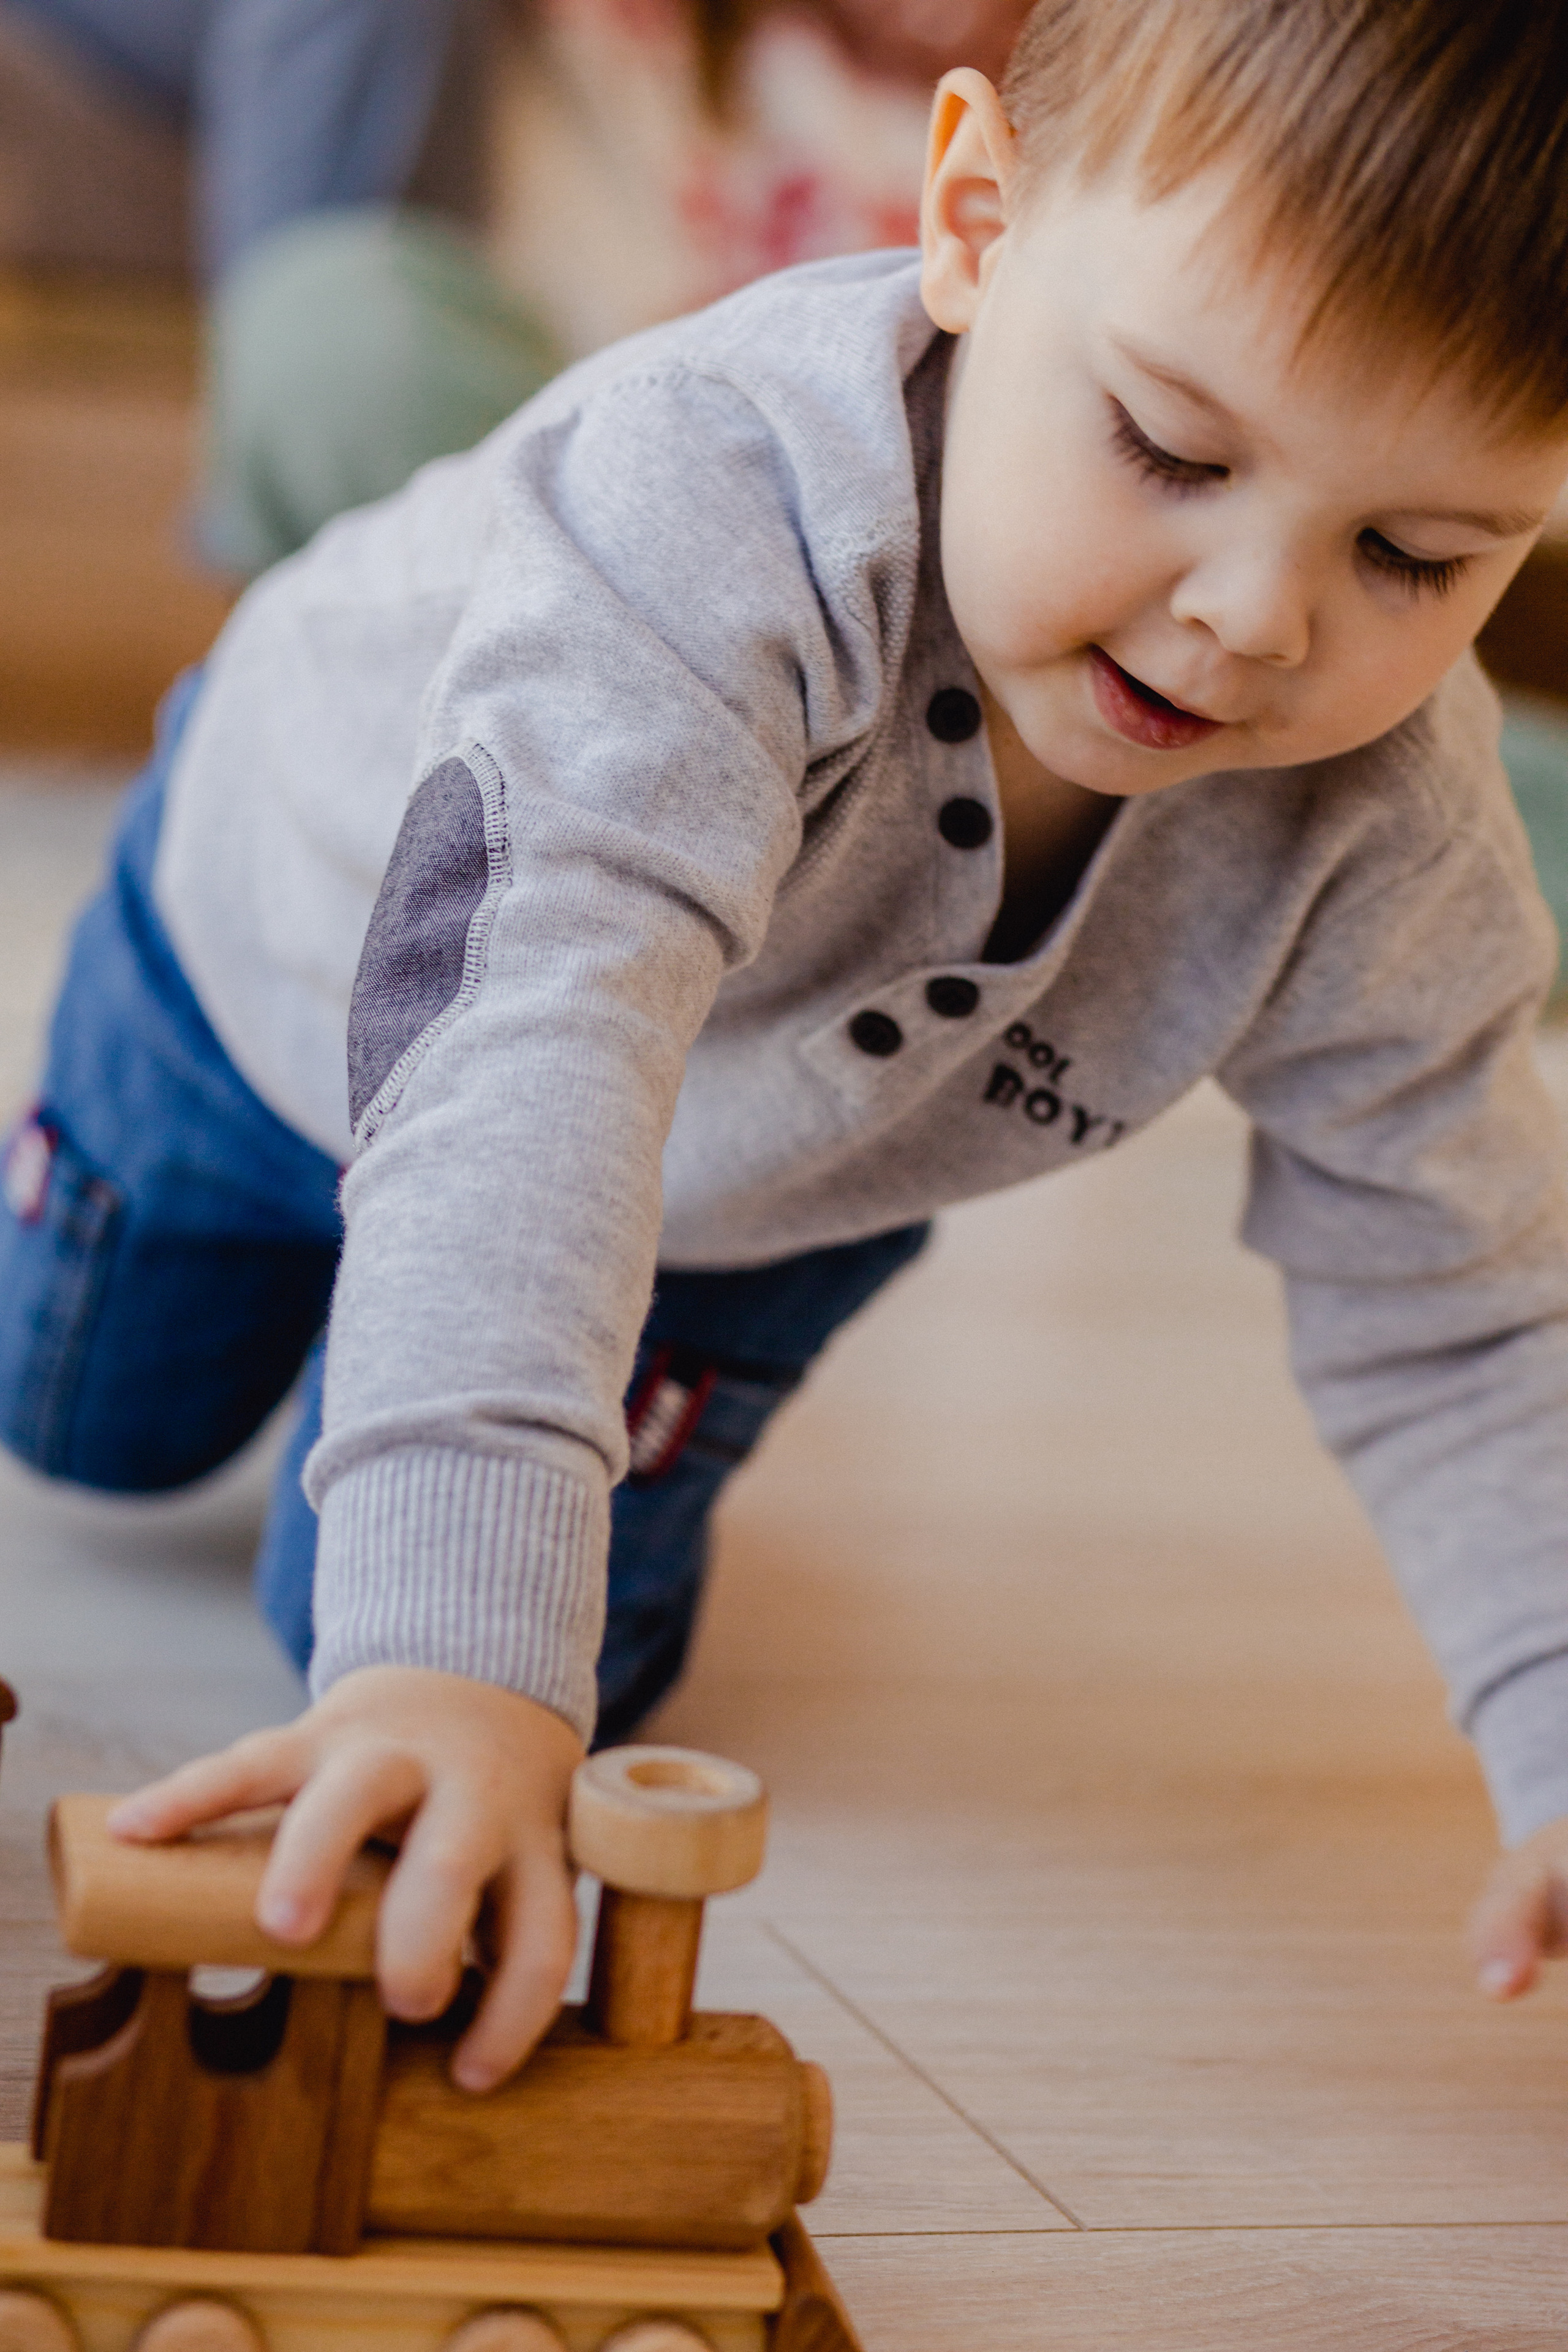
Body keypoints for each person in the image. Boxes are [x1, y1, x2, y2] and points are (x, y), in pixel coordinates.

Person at [4, 0, 1568, 2095]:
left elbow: (1467, 1305)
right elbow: (524, 1052)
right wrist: (457, 1649)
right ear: (974, 221)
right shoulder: (715, 507)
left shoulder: (1392, 829)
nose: (1258, 616)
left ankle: (427, 1435)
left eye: (1418, 555)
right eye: (1175, 451)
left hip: (744, 1201)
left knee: (535, 1695)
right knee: (87, 1418)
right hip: (268, 973)